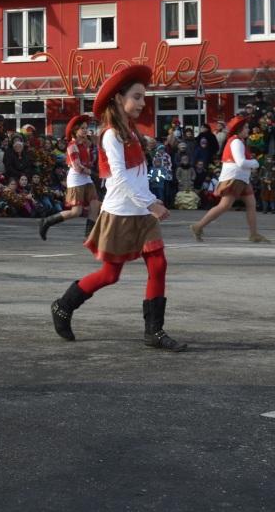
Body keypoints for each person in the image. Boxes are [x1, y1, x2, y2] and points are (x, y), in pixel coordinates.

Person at [49, 64, 186, 352]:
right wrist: (149, 202)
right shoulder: (110, 134)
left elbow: (139, 173)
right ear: (118, 99)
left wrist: (151, 199)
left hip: (142, 211)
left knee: (159, 265)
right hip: (121, 212)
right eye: (136, 97)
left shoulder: (131, 132)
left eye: (143, 97)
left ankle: (154, 332)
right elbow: (120, 177)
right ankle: (63, 306)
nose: (142, 102)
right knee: (110, 275)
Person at [190, 115, 270, 244]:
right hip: (234, 177)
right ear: (239, 130)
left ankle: (254, 234)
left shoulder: (238, 141)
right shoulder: (236, 142)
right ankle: (198, 226)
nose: (248, 130)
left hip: (240, 178)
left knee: (250, 203)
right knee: (225, 205)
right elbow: (240, 162)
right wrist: (255, 163)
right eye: (246, 128)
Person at [39, 115, 99, 240]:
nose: (85, 130)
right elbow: (77, 166)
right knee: (76, 212)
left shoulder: (86, 144)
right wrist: (94, 174)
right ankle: (47, 221)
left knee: (94, 207)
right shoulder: (72, 145)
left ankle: (89, 237)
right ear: (75, 131)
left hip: (86, 177)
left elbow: (88, 162)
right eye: (82, 128)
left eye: (86, 128)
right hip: (77, 178)